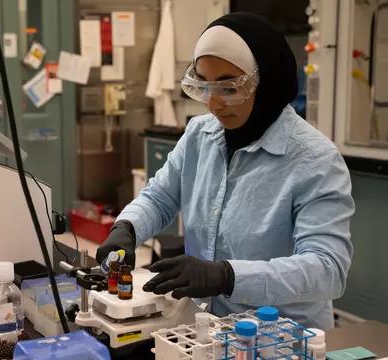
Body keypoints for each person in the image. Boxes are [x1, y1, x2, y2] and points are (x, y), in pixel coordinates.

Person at [96, 12, 354, 330]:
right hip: (205, 328)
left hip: (282, 336)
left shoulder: (315, 160)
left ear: (267, 83)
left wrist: (226, 276)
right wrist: (128, 228)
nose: (213, 104)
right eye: (204, 85)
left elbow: (327, 269)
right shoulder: (199, 135)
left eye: (229, 88)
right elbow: (161, 196)